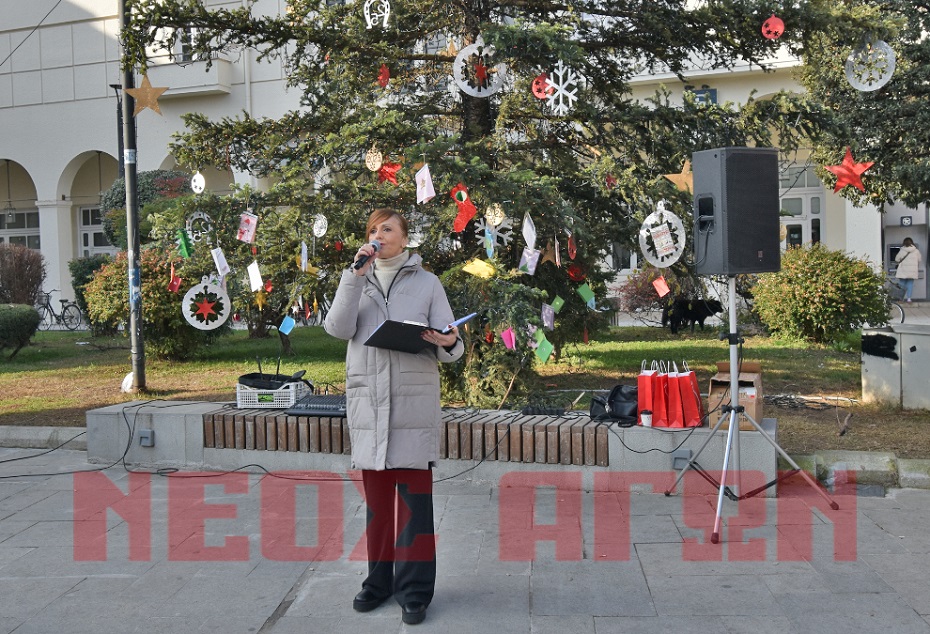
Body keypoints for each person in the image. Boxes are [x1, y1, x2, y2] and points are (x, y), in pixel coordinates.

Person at [324, 208, 463, 626]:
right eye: (372, 229)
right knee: (379, 506)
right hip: (369, 402)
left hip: (412, 402)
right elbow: (337, 328)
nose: (378, 234)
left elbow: (451, 342)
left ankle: (415, 591)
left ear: (405, 238)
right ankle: (377, 582)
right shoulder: (357, 278)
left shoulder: (427, 283)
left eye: (386, 228)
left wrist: (447, 340)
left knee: (414, 505)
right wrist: (354, 276)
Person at [895, 237, 922, 302]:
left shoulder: (902, 250)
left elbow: (896, 259)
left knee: (902, 284)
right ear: (912, 243)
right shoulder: (916, 251)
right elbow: (919, 260)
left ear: (904, 243)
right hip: (912, 271)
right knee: (910, 284)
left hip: (903, 270)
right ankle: (909, 299)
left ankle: (901, 298)